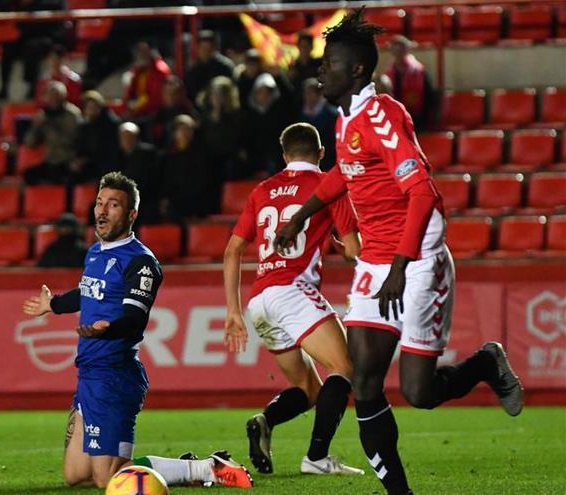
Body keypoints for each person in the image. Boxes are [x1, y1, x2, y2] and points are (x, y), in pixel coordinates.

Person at [273, 11, 523, 495]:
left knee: (418, 392)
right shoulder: (347, 121)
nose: (321, 72)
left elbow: (424, 193)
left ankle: (486, 364)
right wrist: (301, 216)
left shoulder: (381, 115)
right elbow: (345, 174)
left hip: (418, 260)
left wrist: (401, 269)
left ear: (357, 72)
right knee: (363, 380)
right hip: (376, 264)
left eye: (331, 64)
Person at [21, 172, 253, 489]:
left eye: (113, 205)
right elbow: (87, 292)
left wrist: (109, 328)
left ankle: (205, 469)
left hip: (115, 375)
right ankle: (183, 466)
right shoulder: (96, 252)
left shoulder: (141, 262)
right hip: (89, 373)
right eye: (100, 203)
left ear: (131, 215)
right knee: (76, 476)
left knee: (107, 478)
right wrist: (55, 304)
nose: (101, 211)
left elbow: (134, 316)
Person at [223, 122, 364, 477]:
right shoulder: (327, 184)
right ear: (321, 153)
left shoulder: (262, 190)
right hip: (292, 292)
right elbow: (354, 250)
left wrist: (233, 312)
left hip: (259, 301)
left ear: (284, 156)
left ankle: (265, 421)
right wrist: (338, 241)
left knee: (308, 388)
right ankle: (317, 457)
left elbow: (232, 251)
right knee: (345, 367)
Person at [0, 0, 65, 101]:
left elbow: (59, 21)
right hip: (28, 36)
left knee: (32, 48)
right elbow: (20, 22)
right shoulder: (26, 3)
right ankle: (4, 87)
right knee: (8, 48)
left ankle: (32, 88)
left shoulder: (54, 2)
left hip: (48, 37)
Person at [23, 80, 83, 185]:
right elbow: (30, 143)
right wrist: (36, 126)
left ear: (63, 97)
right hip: (50, 161)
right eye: (50, 97)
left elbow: (72, 140)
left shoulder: (72, 114)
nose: (52, 100)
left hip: (67, 161)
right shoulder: (43, 115)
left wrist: (50, 125)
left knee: (72, 178)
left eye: (56, 96)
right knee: (29, 175)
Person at [241, 73, 298, 177]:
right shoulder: (248, 114)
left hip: (275, 159)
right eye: (261, 92)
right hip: (254, 159)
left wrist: (279, 76)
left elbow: (290, 97)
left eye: (267, 92)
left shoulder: (279, 112)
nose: (264, 95)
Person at [160, 115, 214, 221]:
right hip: (176, 199)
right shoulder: (169, 155)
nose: (184, 133)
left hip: (195, 198)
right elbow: (166, 180)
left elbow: (203, 180)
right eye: (180, 129)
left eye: (188, 129)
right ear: (174, 133)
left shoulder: (201, 153)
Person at [385, 35, 436, 131]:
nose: (398, 51)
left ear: (407, 49)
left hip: (417, 118)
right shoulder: (389, 72)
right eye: (395, 48)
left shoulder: (419, 71)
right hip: (396, 118)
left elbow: (429, 96)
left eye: (401, 48)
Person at [115, 122, 160, 223]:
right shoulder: (115, 156)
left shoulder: (148, 154)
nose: (127, 140)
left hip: (144, 198)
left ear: (136, 138)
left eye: (130, 137)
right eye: (124, 137)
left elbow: (151, 180)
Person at [73, 91, 121, 182]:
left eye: (94, 107)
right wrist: (79, 159)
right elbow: (80, 146)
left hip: (106, 161)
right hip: (91, 161)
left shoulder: (110, 124)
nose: (91, 110)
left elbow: (108, 150)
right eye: (88, 107)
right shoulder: (85, 126)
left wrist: (86, 160)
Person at [123, 42, 172, 120]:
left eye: (145, 51)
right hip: (139, 110)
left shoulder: (160, 70)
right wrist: (128, 106)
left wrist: (134, 109)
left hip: (154, 114)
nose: (141, 54)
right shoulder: (140, 68)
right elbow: (130, 90)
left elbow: (154, 99)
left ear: (152, 52)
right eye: (140, 51)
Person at [184, 30, 236, 104]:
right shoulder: (193, 71)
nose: (206, 52)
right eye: (203, 48)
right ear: (198, 48)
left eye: (209, 49)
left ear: (215, 48)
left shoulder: (225, 67)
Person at [298, 78, 338, 171]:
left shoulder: (331, 114)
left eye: (310, 93)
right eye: (305, 93)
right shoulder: (302, 114)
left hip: (327, 162)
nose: (307, 96)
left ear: (318, 94)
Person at [145, 76, 194, 149]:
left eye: (174, 93)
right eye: (167, 92)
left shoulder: (187, 111)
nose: (170, 96)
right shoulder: (157, 114)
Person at [287, 32, 322, 97]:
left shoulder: (318, 64)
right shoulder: (293, 67)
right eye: (302, 46)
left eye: (306, 46)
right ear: (298, 47)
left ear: (311, 47)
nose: (304, 49)